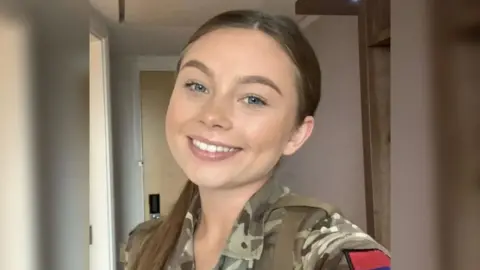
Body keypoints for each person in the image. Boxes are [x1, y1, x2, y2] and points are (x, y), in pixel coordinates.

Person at [122, 9, 390, 270]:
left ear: (297, 135)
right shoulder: (142, 245)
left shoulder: (329, 252)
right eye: (197, 86)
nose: (213, 115)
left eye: (253, 99)